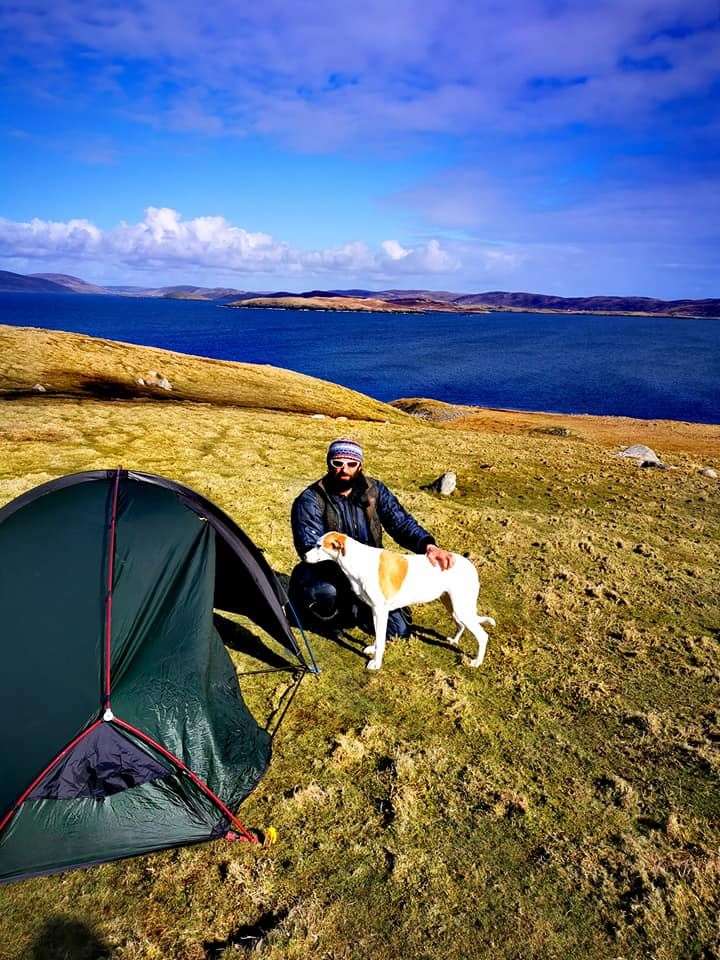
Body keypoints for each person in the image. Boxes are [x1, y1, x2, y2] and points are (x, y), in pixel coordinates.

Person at [289, 437, 454, 639]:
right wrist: (353, 576)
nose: (344, 469)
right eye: (337, 463)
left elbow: (400, 523)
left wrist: (428, 545)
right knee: (326, 594)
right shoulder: (311, 499)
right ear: (329, 464)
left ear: (360, 465)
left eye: (351, 464)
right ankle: (314, 606)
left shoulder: (375, 491)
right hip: (328, 572)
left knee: (397, 632)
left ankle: (360, 607)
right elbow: (308, 546)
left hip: (372, 573)